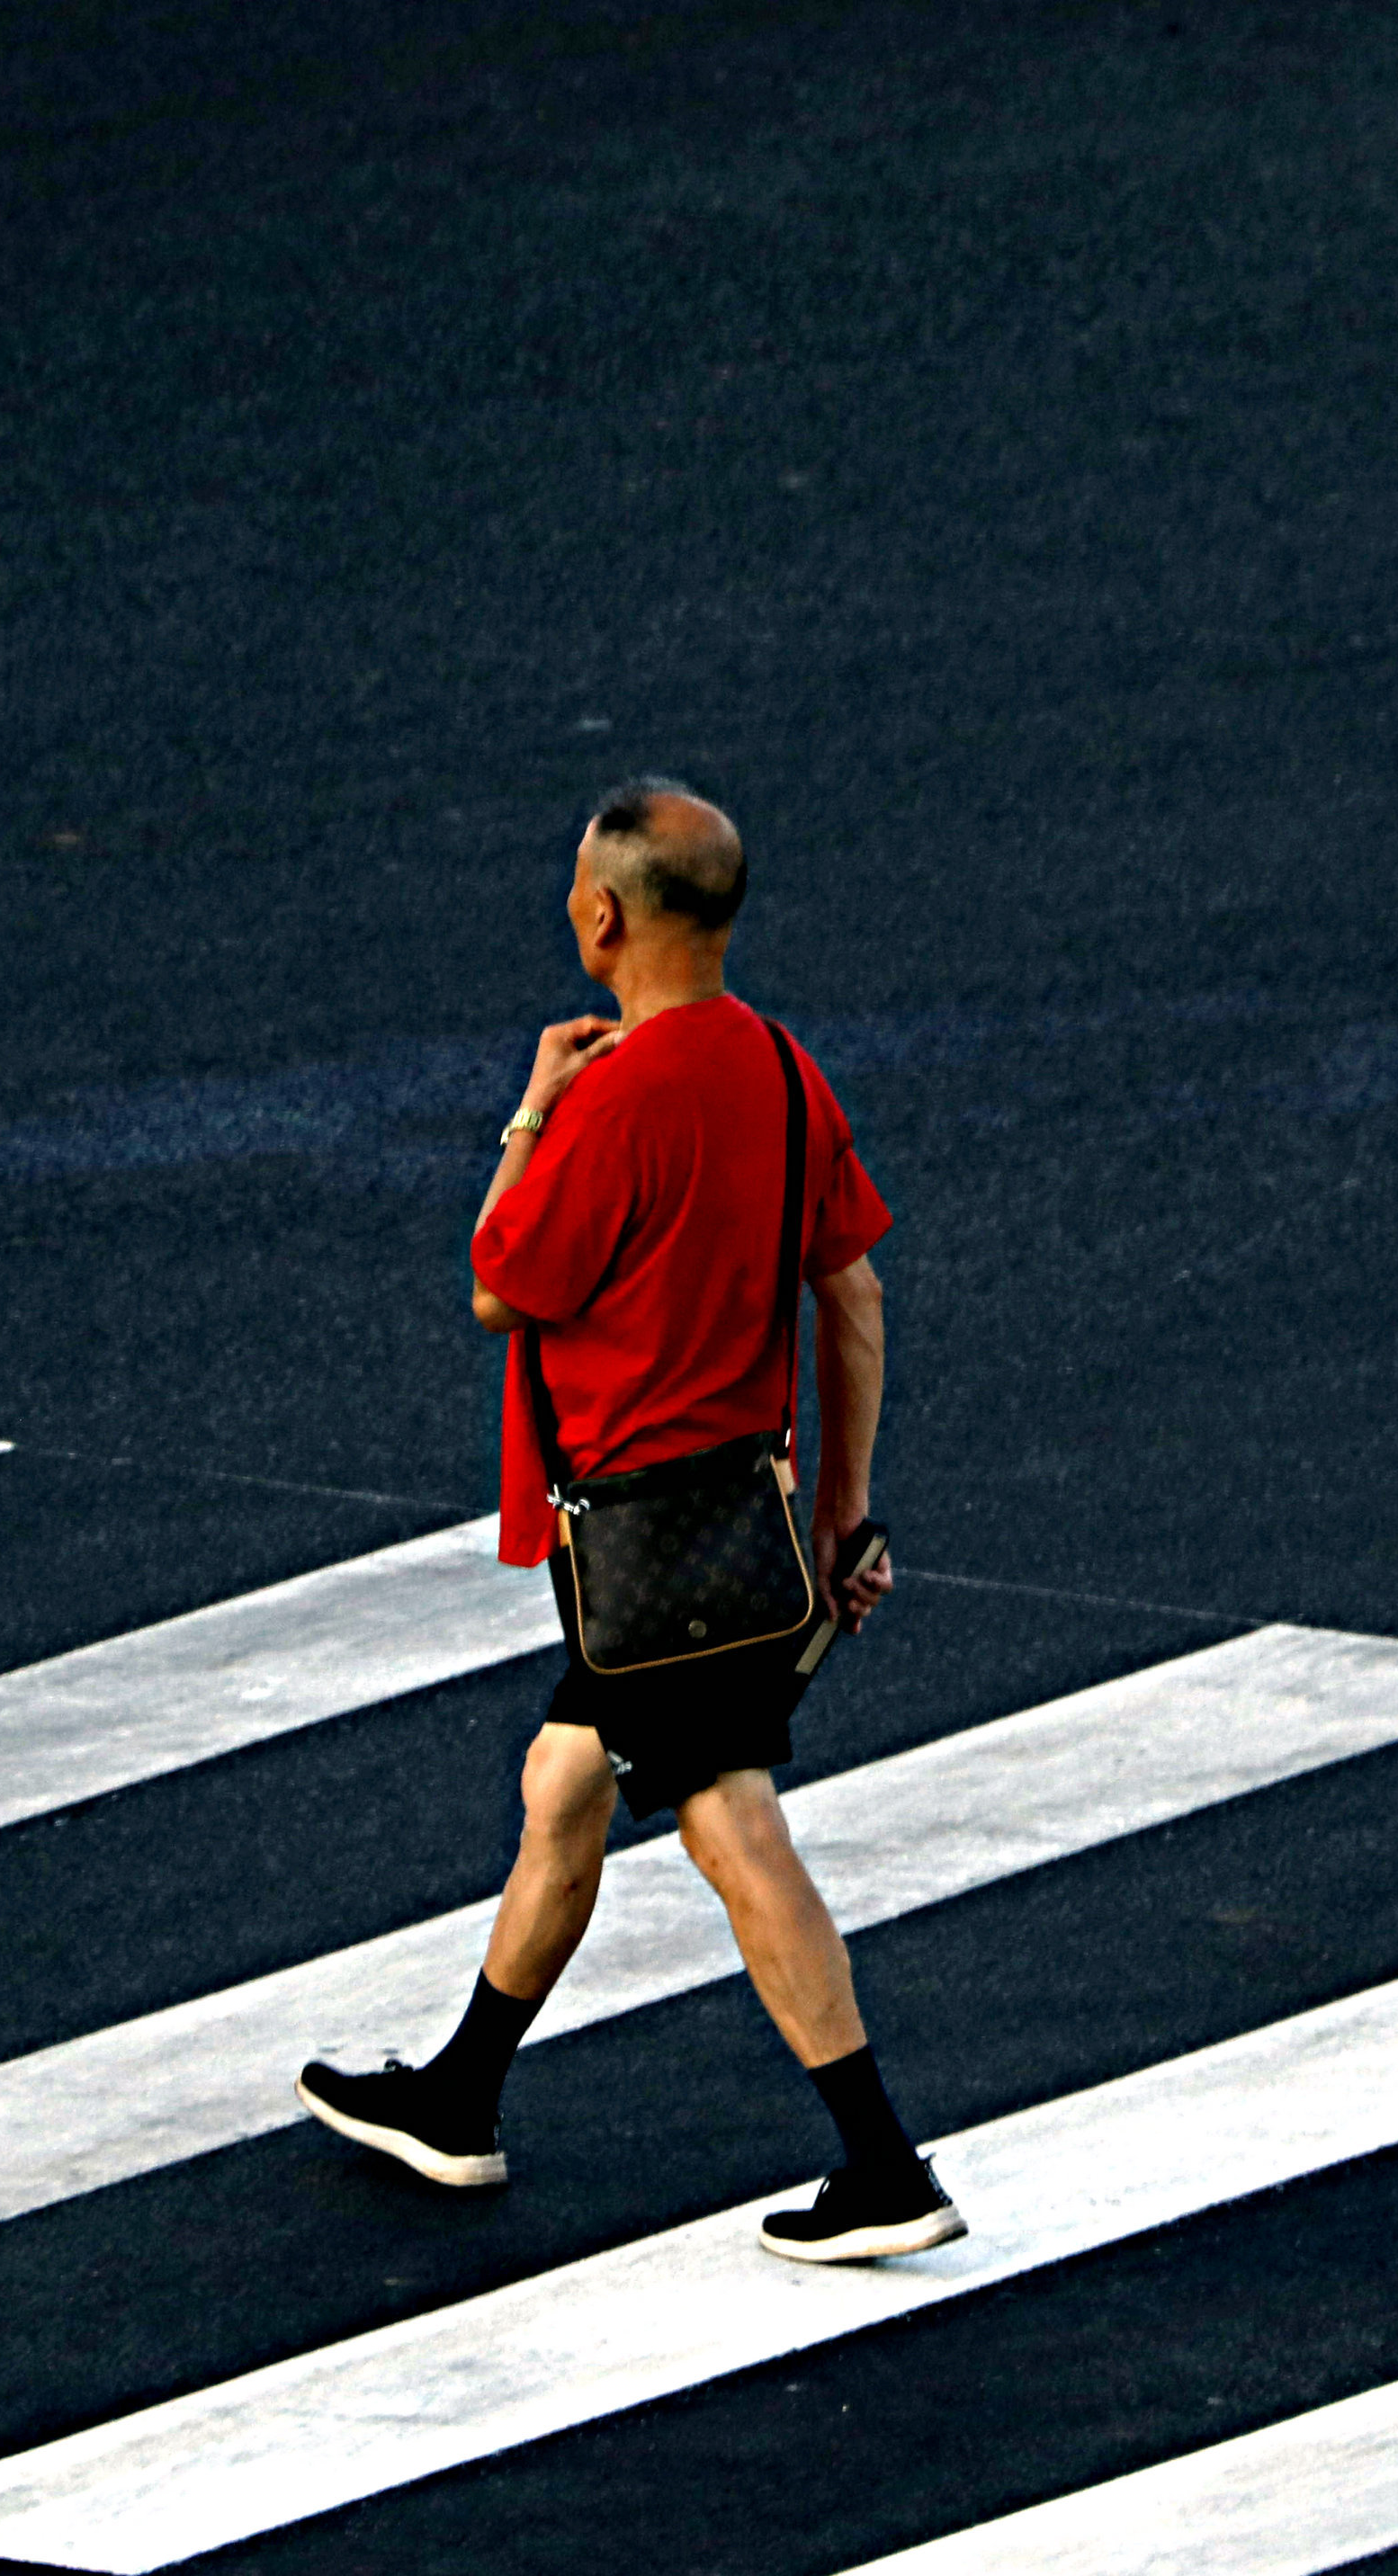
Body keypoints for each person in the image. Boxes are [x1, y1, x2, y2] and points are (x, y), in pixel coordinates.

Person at [296, 780, 962, 2262]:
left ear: (603, 916)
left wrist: (532, 1104)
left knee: (729, 1825)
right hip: (750, 1527)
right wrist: (842, 1522)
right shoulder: (786, 1073)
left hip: (642, 1557)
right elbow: (849, 1295)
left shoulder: (610, 1101)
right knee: (563, 1783)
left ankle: (881, 2166)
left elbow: (496, 1281)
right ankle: (459, 2098)